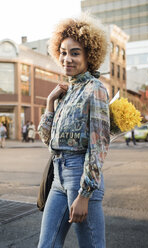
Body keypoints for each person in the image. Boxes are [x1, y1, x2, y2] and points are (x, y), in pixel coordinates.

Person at [37, 14, 109, 248]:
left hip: (80, 178)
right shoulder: (66, 92)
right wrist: (50, 103)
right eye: (63, 52)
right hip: (58, 178)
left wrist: (85, 194)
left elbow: (98, 147)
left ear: (90, 55)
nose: (67, 58)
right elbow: (48, 140)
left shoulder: (95, 89)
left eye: (75, 53)